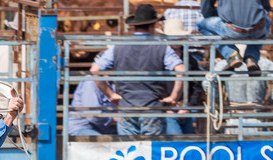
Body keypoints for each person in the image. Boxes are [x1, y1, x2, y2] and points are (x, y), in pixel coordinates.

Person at [90, 4, 185, 136]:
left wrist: (110, 94)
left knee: (129, 151)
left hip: (126, 108)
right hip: (152, 108)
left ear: (135, 25)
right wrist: (174, 97)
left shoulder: (117, 47)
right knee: (152, 152)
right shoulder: (162, 47)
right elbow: (181, 70)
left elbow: (95, 70)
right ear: (153, 24)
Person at [202, 48, 273, 135]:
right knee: (257, 146)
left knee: (234, 146)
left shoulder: (224, 64)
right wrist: (269, 102)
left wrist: (220, 102)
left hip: (233, 115)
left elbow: (207, 83)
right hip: (256, 115)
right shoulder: (265, 63)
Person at [198, 0, 271, 72]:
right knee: (266, 21)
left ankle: (231, 54)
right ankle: (251, 57)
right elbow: (266, 7)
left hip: (232, 29)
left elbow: (206, 10)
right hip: (257, 29)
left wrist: (221, 15)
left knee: (201, 24)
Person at [159, 19, 203, 134]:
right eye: (174, 37)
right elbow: (156, 84)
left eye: (179, 36)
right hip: (168, 109)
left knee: (185, 141)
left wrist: (189, 106)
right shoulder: (160, 58)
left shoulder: (190, 59)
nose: (177, 40)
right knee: (179, 140)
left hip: (185, 107)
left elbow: (196, 85)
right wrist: (164, 106)